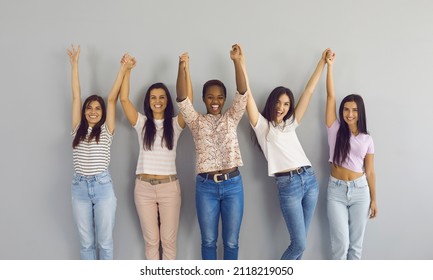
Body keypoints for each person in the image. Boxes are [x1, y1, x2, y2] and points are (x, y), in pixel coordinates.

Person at [246, 49, 329, 260]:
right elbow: (247, 96)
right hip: (288, 185)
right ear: (272, 103)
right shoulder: (262, 127)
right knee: (299, 244)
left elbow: (308, 92)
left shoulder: (291, 123)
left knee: (300, 246)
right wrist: (241, 64)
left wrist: (322, 62)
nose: (282, 107)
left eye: (286, 104)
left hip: (309, 181)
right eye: (278, 102)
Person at [176, 44, 248, 260]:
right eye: (210, 97)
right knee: (208, 241)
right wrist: (181, 67)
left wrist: (236, 61)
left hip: (233, 185)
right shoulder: (196, 121)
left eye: (219, 97)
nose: (214, 101)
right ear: (204, 98)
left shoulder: (232, 117)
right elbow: (181, 99)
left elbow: (243, 93)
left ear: (224, 99)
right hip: (206, 187)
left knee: (231, 241)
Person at [119, 53, 192, 260]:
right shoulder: (141, 123)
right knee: (151, 242)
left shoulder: (176, 125)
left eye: (161, 97)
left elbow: (188, 101)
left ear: (167, 101)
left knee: (168, 242)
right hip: (143, 189)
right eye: (153, 97)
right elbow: (123, 99)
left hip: (169, 188)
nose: (157, 101)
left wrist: (184, 69)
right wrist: (127, 71)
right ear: (148, 101)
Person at [67, 44, 130, 259]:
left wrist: (122, 70)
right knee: (86, 244)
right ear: (84, 112)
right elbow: (76, 96)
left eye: (97, 108)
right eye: (89, 108)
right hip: (79, 188)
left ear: (102, 113)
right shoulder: (77, 128)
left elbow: (112, 98)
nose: (93, 112)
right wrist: (74, 65)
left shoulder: (106, 130)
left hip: (102, 187)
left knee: (104, 243)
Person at [324, 50, 377, 260]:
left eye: (354, 110)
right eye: (346, 109)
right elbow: (331, 96)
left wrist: (374, 199)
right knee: (341, 246)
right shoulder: (334, 128)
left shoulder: (367, 139)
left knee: (356, 248)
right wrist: (330, 66)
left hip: (360, 192)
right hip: (336, 190)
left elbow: (370, 171)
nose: (349, 114)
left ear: (360, 112)